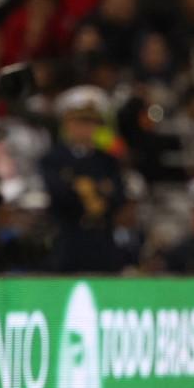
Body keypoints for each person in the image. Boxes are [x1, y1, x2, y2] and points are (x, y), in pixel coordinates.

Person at [40, 85, 125, 273]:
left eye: (92, 122)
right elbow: (59, 194)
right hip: (67, 243)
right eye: (80, 122)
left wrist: (83, 187)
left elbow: (119, 196)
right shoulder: (54, 159)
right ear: (67, 124)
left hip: (102, 244)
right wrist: (97, 189)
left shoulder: (108, 160)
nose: (86, 128)